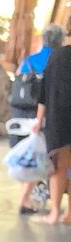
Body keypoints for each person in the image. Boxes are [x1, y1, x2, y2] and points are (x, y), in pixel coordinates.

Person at [10, 23, 64, 213]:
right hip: (42, 114)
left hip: (21, 112)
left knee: (28, 156)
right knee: (39, 157)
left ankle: (25, 198)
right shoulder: (58, 60)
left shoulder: (29, 60)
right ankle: (26, 199)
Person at [32, 35, 71, 224]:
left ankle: (55, 212)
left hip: (59, 119)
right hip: (60, 118)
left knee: (58, 167)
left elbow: (44, 91)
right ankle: (69, 213)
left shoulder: (57, 56)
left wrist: (38, 120)